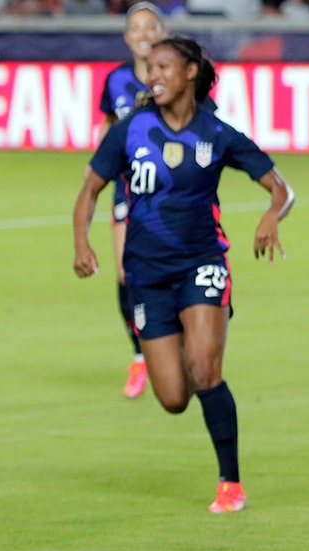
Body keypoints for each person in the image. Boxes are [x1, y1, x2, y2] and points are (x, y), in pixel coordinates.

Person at [72, 35, 294, 513]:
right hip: (145, 275)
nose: (152, 75)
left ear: (191, 71)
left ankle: (230, 484)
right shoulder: (130, 130)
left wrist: (272, 214)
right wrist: (82, 243)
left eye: (163, 66)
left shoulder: (218, 134)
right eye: (150, 67)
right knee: (173, 397)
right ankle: (194, 366)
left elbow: (281, 188)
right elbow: (89, 191)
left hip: (203, 263)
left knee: (206, 369)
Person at [94, 1, 167, 398]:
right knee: (126, 274)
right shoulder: (116, 80)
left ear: (162, 34)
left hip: (173, 190)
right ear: (126, 36)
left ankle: (174, 344)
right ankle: (141, 359)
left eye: (150, 27)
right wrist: (99, 164)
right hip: (128, 188)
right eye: (135, 27)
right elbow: (107, 124)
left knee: (172, 267)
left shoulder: (174, 78)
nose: (143, 34)